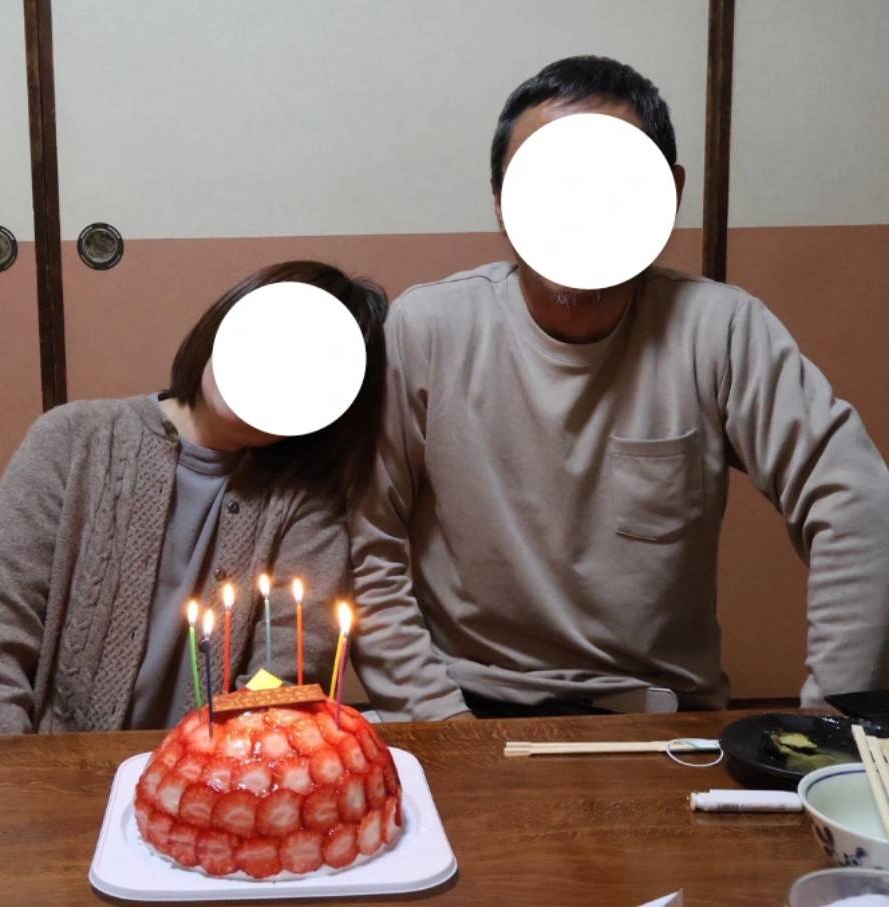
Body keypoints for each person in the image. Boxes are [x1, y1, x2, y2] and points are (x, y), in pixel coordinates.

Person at [350, 55, 889, 721]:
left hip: (658, 715)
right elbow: (365, 542)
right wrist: (442, 717)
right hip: (467, 702)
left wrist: (834, 715)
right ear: (501, 199)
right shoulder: (428, 328)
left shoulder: (719, 328)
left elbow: (856, 499)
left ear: (670, 191)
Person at [0, 260, 387, 734]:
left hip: (218, 771)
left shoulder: (307, 503)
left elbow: (284, 681)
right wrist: (3, 774)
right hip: (48, 764)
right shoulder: (72, 440)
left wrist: (205, 766)